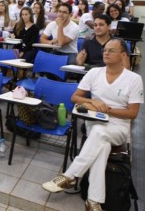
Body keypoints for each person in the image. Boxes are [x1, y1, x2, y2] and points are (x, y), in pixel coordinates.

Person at [43, 38, 143, 211]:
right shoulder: (94, 73)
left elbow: (132, 113)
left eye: (111, 50)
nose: (106, 53)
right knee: (101, 145)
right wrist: (93, 102)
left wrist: (107, 110)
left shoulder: (133, 79)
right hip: (94, 120)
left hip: (119, 127)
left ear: (123, 55)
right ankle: (93, 201)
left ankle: (71, 175)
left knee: (99, 133)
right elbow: (75, 97)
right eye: (105, 50)